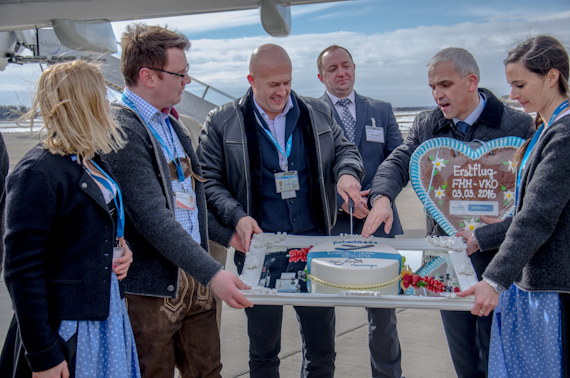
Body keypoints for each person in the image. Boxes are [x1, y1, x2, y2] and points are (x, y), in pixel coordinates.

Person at [361, 47, 535, 378]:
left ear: (472, 82)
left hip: (497, 261)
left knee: (496, 356)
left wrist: (504, 224)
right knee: (463, 357)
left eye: (445, 84)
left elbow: (534, 198)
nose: (437, 94)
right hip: (447, 259)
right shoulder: (428, 124)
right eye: (432, 87)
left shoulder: (518, 126)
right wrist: (382, 196)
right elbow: (399, 160)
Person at [198, 44, 364, 377]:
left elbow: (346, 149)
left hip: (315, 247)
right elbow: (207, 181)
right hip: (259, 249)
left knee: (322, 349)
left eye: (287, 82)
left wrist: (347, 174)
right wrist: (236, 216)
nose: (282, 91)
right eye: (273, 84)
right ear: (251, 80)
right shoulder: (221, 121)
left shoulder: (317, 111)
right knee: (263, 351)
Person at [102, 23, 252, 378]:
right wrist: (214, 273)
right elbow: (153, 217)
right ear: (148, 76)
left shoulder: (174, 124)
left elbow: (189, 202)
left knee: (207, 371)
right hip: (151, 290)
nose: (187, 80)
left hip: (195, 278)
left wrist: (226, 235)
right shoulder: (123, 128)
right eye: (180, 73)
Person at [0, 60, 139, 378]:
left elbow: (90, 227)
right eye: (103, 95)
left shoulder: (91, 161)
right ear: (83, 102)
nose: (109, 103)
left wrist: (120, 247)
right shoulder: (37, 173)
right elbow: (21, 271)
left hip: (105, 312)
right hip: (69, 326)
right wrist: (43, 355)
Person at [457, 35, 570, 378]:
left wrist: (493, 280)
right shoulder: (544, 127)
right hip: (536, 283)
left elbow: (537, 218)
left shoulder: (563, 136)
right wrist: (484, 235)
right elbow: (532, 213)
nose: (513, 95)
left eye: (520, 84)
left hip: (552, 290)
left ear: (552, 77)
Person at [317, 44, 403, 378]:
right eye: (333, 69)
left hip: (379, 224)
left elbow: (400, 160)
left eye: (346, 66)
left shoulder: (380, 110)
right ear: (321, 76)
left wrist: (381, 196)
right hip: (332, 225)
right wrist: (335, 197)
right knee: (320, 318)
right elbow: (309, 169)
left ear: (354, 67)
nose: (341, 73)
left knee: (383, 317)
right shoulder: (311, 112)